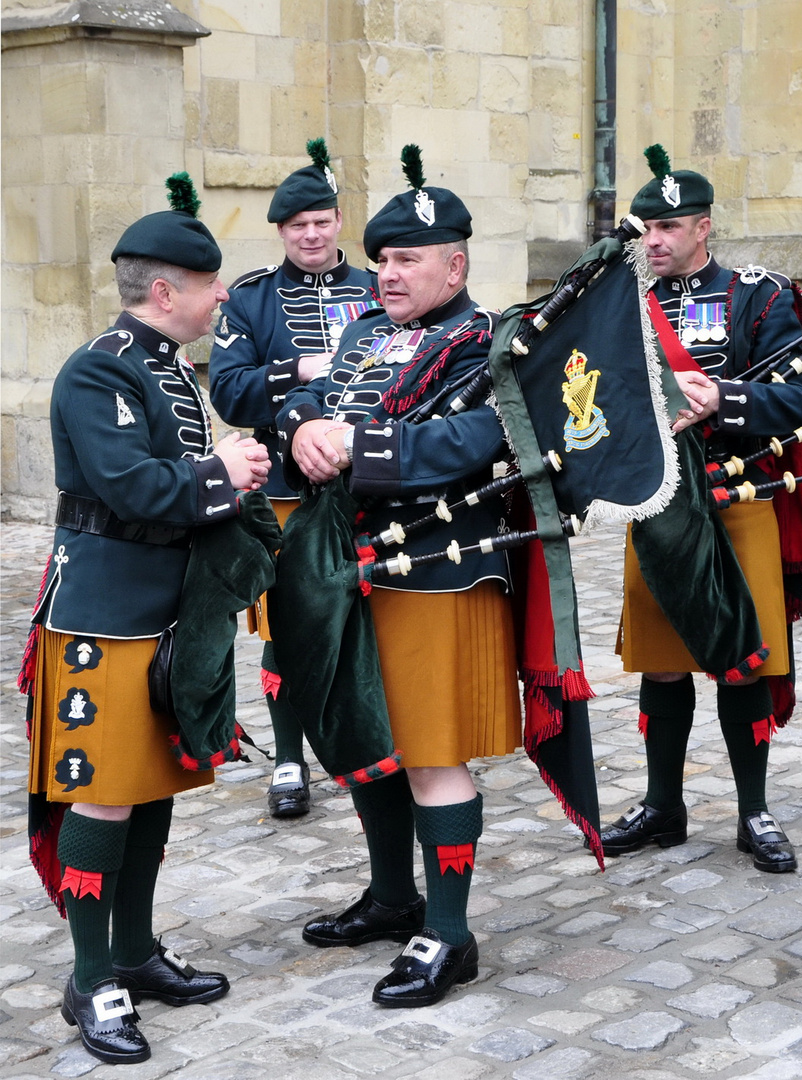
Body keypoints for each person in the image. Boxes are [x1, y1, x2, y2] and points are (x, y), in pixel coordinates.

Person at [21, 175, 271, 1064]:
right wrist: (227, 476)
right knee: (106, 791)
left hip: (164, 612)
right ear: (167, 291)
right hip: (106, 617)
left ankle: (132, 949)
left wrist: (228, 456)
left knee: (150, 787)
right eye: (210, 287)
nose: (220, 300)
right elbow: (132, 485)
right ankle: (93, 979)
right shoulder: (100, 369)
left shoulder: (165, 366)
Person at [279, 148, 515, 1008]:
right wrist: (304, 426)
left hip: (433, 570)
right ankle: (391, 897)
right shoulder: (365, 331)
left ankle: (449, 935)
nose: (387, 273)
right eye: (380, 258)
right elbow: (315, 398)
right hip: (350, 564)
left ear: (455, 264)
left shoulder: (488, 341)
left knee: (430, 752)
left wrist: (356, 448)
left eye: (407, 258)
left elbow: (473, 443)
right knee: (367, 742)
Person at [600, 147, 802, 874]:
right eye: (645, 230)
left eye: (667, 227)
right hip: (659, 502)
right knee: (661, 666)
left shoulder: (760, 297)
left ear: (703, 227)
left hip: (739, 497)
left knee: (741, 664)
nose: (654, 242)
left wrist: (725, 397)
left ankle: (753, 809)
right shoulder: (621, 307)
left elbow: (795, 400)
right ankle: (664, 805)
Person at [209, 138, 377, 818]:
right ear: (281, 231)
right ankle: (286, 759)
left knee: (366, 612)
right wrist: (303, 370)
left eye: (321, 220)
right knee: (285, 625)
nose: (310, 234)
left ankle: (368, 741)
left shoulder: (375, 286)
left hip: (365, 481)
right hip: (283, 488)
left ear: (339, 221)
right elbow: (230, 391)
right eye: (296, 225)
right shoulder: (252, 300)